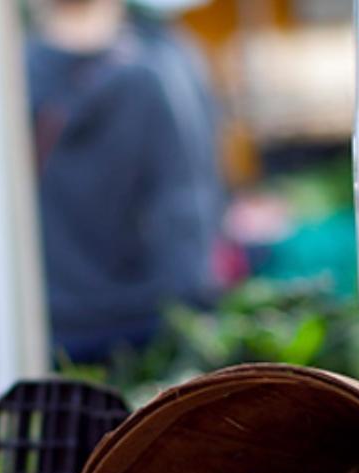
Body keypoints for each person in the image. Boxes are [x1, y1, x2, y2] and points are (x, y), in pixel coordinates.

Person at [27, 0, 219, 364]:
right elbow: (186, 203)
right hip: (149, 329)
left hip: (49, 329)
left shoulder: (7, 79)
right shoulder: (163, 64)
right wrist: (193, 315)